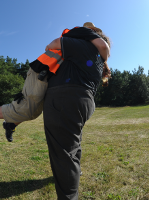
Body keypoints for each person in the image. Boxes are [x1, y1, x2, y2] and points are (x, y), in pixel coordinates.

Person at [0, 22, 110, 144]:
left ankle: (10, 125)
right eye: (96, 32)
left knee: (34, 111)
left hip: (52, 77)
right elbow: (53, 44)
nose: (97, 34)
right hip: (42, 71)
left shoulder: (86, 45)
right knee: (27, 107)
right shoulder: (81, 33)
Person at [42, 23, 111, 199]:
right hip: (84, 101)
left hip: (65, 99)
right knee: (74, 144)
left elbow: (52, 45)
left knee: (63, 155)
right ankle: (75, 173)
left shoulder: (84, 44)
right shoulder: (99, 58)